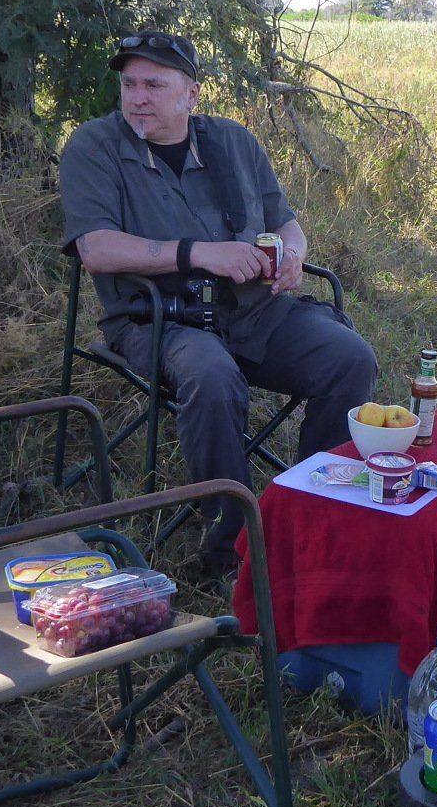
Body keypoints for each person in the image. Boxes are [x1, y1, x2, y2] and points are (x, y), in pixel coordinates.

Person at [60, 31, 378, 574]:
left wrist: (293, 255)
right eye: (129, 84)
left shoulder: (233, 142)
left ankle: (310, 510)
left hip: (255, 310)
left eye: (154, 85)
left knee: (350, 358)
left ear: (192, 96)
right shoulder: (95, 146)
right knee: (212, 375)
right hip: (157, 318)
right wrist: (201, 254)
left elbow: (284, 222)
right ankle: (231, 543)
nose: (137, 96)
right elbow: (96, 248)